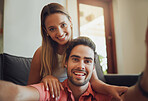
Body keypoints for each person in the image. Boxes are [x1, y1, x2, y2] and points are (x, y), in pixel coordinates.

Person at [0, 32, 148, 101]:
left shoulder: (108, 96)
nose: (81, 66)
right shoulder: (51, 91)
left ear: (94, 67)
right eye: (75, 59)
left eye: (88, 61)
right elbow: (17, 93)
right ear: (65, 62)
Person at [27, 3, 127, 101]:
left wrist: (112, 89)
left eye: (63, 25)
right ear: (46, 31)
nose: (60, 33)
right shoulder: (41, 53)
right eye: (52, 29)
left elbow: (94, 82)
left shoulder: (81, 49)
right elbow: (30, 88)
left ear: (70, 22)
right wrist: (45, 79)